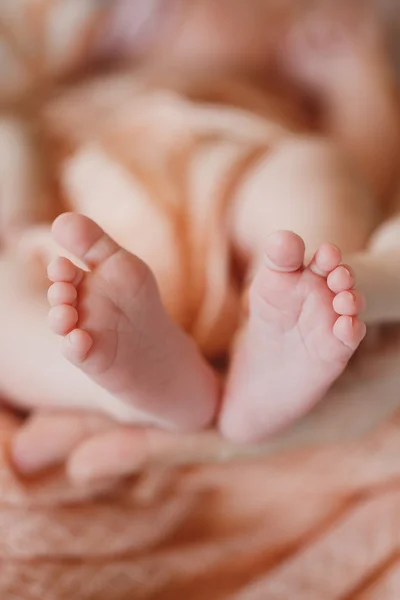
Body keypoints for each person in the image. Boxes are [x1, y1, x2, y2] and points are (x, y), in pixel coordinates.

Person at [3, 1, 400, 479]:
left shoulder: (268, 106)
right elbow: (10, 139)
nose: (284, 28)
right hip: (77, 251)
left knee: (316, 172)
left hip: (236, 210)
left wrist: (359, 83)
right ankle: (123, 388)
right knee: (11, 305)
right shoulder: (73, 97)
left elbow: (365, 174)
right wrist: (19, 218)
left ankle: (278, 335)